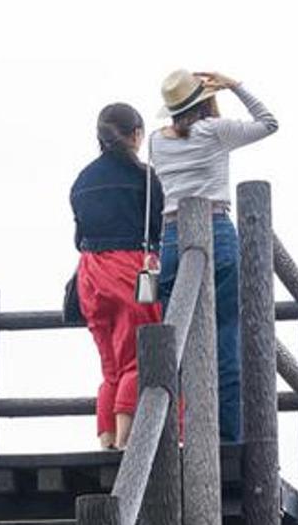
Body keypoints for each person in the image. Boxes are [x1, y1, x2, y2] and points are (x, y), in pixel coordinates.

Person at [150, 69, 278, 443]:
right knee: (225, 334)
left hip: (171, 238)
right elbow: (268, 123)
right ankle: (226, 438)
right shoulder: (214, 132)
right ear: (203, 100)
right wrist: (236, 85)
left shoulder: (156, 141)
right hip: (216, 229)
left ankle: (168, 433)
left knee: (174, 339)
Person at [70, 103, 164, 449]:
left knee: (110, 363)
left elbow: (77, 237)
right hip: (131, 268)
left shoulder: (82, 181)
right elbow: (157, 228)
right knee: (138, 353)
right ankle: (127, 444)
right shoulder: (145, 178)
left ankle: (106, 438)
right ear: (136, 135)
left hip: (90, 273)